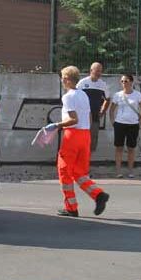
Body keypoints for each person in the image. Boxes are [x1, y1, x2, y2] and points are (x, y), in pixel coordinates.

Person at [42, 65, 110, 217]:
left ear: (66, 79)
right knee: (79, 172)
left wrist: (56, 125)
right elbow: (89, 117)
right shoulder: (83, 95)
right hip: (85, 135)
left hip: (72, 136)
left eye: (62, 77)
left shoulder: (68, 96)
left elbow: (73, 119)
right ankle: (98, 195)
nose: (61, 80)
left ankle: (71, 208)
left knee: (64, 171)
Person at [109, 74, 141, 178]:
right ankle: (118, 171)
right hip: (119, 124)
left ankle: (130, 171)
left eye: (126, 81)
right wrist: (113, 122)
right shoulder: (118, 95)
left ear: (131, 82)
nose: (124, 83)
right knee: (119, 148)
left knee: (131, 148)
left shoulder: (137, 95)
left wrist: (140, 123)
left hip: (133, 125)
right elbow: (111, 110)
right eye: (122, 81)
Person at [76, 62, 111, 153]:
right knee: (80, 143)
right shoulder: (82, 83)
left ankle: (87, 165)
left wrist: (102, 111)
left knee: (91, 144)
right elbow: (75, 97)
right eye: (97, 71)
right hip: (82, 119)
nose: (99, 73)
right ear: (91, 70)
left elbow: (108, 99)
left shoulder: (103, 85)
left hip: (95, 119)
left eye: (100, 71)